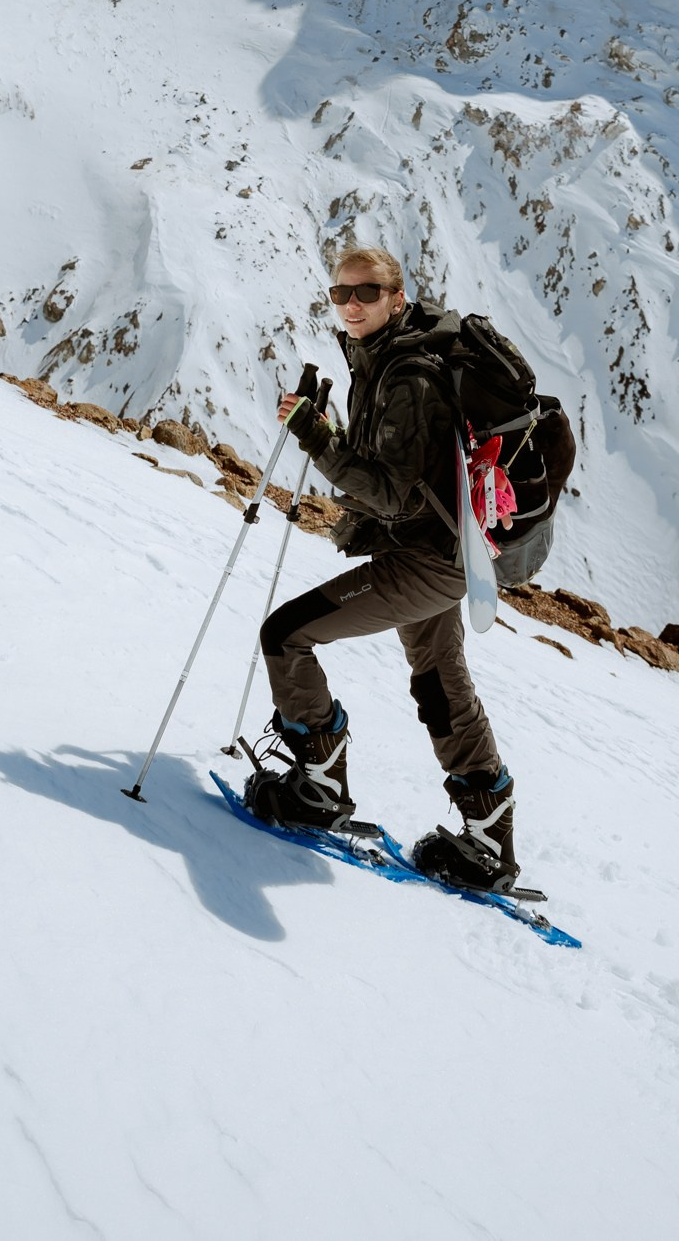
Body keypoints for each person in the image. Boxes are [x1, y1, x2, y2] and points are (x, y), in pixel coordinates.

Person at [243, 244, 519, 892]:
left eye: (366, 292)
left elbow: (390, 493)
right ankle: (489, 839)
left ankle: (319, 788)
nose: (351, 304)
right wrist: (328, 428)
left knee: (285, 635)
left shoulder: (407, 376)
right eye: (340, 293)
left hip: (424, 559)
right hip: (445, 549)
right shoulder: (386, 354)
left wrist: (314, 436)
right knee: (439, 681)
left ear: (396, 299)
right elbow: (394, 467)